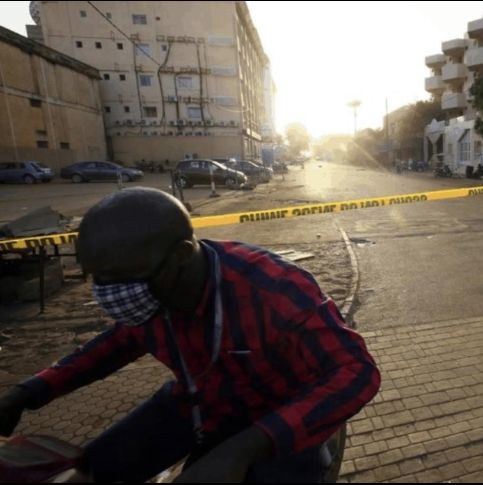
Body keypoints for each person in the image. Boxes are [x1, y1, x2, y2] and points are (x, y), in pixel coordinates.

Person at [0, 187, 381, 482]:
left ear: (182, 255)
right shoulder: (151, 292)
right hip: (196, 404)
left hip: (277, 419)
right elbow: (116, 344)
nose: (108, 293)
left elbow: (358, 372)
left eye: (121, 279)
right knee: (90, 469)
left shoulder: (273, 288)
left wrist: (243, 450)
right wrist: (28, 392)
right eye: (97, 280)